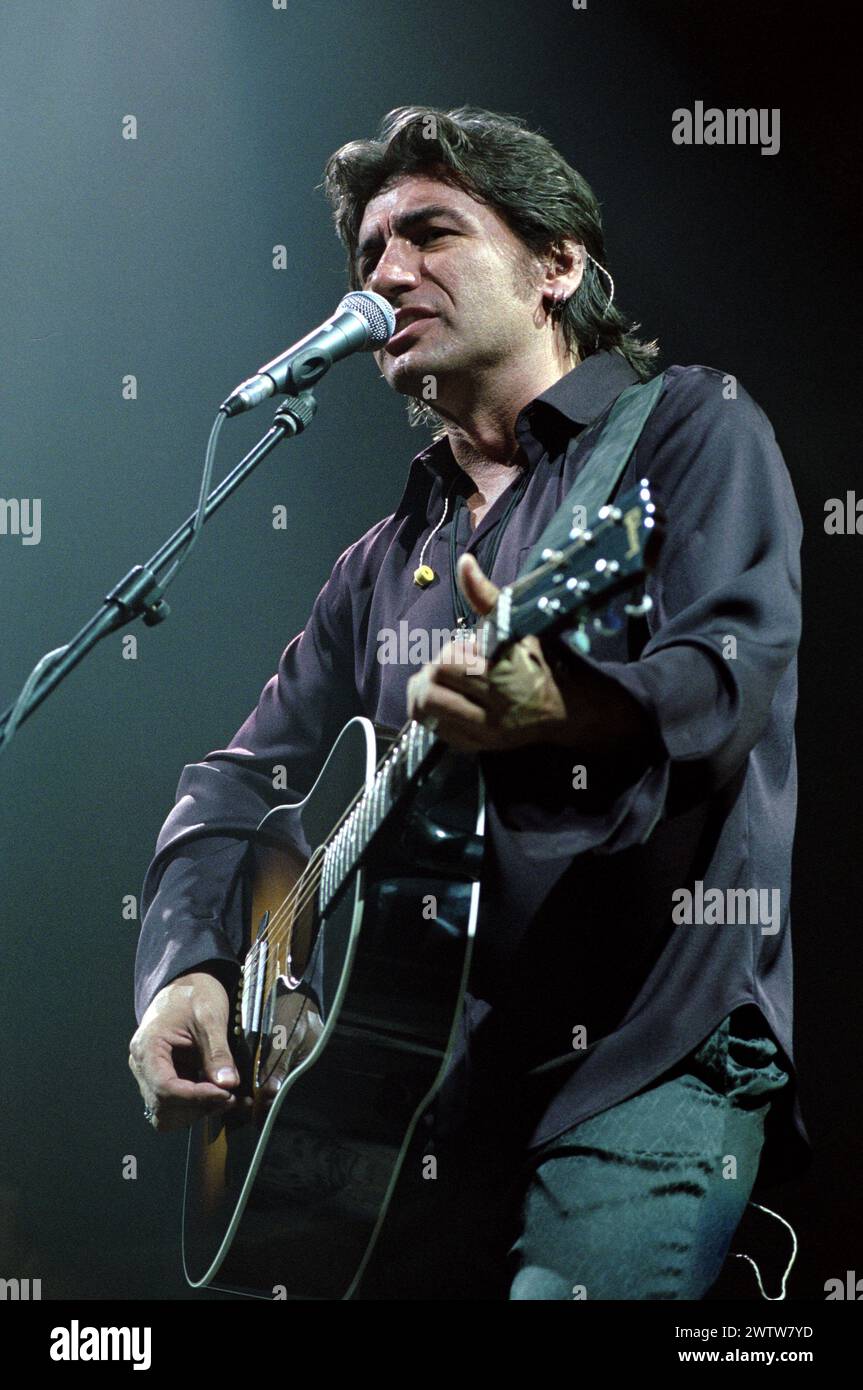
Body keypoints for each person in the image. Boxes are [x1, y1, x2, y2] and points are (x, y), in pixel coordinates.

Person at [128, 105, 810, 1300]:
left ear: (557, 264)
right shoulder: (385, 558)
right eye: (367, 255)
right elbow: (233, 785)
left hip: (645, 1063)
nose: (387, 275)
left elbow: (725, 677)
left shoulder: (689, 432)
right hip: (428, 1106)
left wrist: (565, 702)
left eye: (430, 233)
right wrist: (185, 966)